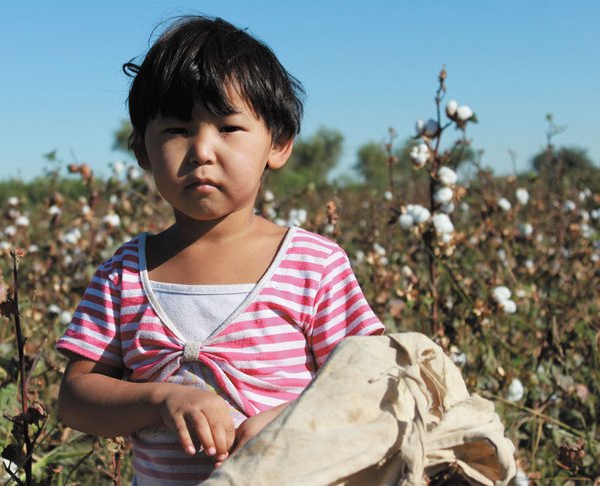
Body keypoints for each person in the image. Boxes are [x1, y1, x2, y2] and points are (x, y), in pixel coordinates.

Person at [56, 15, 384, 484]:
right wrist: (160, 399)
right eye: (176, 129)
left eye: (228, 127)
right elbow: (75, 397)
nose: (202, 150)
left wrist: (283, 423)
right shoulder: (125, 274)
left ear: (279, 143)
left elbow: (369, 383)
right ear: (142, 151)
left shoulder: (314, 265)